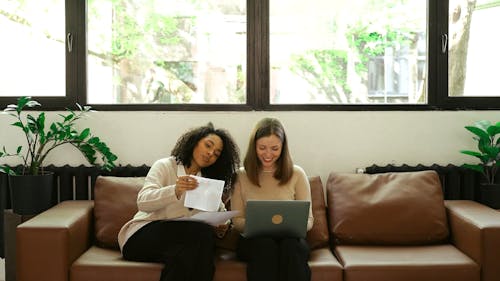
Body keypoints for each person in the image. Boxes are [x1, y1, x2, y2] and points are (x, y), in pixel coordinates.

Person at [118, 122, 240, 281]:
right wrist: (174, 190)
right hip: (141, 238)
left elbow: (221, 213)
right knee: (200, 234)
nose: (210, 153)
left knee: (185, 255)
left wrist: (222, 226)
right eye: (208, 145)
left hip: (180, 243)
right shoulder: (165, 166)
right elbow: (143, 202)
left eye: (216, 153)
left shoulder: (207, 182)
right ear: (195, 142)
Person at [231, 117, 314, 281]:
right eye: (262, 148)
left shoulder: (297, 174)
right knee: (265, 245)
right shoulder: (241, 175)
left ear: (283, 148)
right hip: (253, 243)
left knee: (290, 246)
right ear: (254, 147)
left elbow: (309, 220)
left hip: (290, 242)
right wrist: (259, 227)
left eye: (275, 148)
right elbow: (237, 221)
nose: (268, 154)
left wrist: (291, 227)